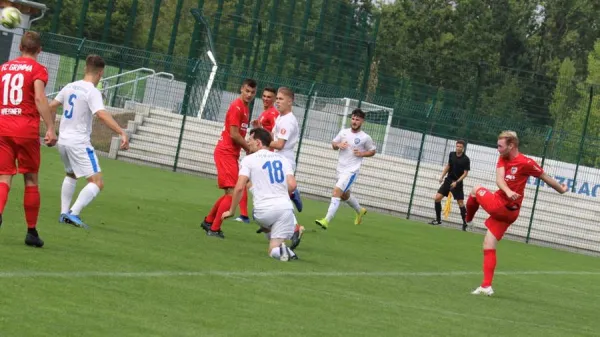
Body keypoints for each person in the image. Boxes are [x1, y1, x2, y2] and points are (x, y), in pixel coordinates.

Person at [467, 131, 567, 296]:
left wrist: (561, 189)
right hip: (507, 211)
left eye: (500, 146)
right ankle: (486, 286)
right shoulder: (502, 158)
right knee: (488, 245)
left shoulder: (526, 162)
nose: (498, 149)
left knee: (475, 189)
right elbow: (499, 180)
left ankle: (468, 219)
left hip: (502, 208)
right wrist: (507, 191)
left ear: (511, 145)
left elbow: (544, 177)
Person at [49, 55, 129, 229]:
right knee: (97, 182)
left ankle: (64, 213)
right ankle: (73, 213)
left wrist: (50, 129)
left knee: (70, 174)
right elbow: (101, 114)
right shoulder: (92, 91)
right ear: (101, 73)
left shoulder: (70, 86)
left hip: (63, 140)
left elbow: (52, 106)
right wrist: (121, 131)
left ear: (86, 68)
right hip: (79, 143)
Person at [0, 31, 57, 248]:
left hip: (3, 127)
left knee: (4, 177)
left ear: (20, 47)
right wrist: (50, 127)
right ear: (39, 50)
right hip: (25, 128)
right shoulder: (37, 69)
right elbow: (40, 98)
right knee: (31, 179)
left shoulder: (3, 68)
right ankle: (31, 232)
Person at [222, 128, 298, 261]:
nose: (247, 142)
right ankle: (287, 251)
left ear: (258, 142)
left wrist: (231, 211)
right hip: (286, 209)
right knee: (274, 248)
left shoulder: (248, 160)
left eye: (250, 140)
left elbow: (239, 187)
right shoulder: (283, 159)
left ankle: (282, 248)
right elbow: (292, 185)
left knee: (268, 234)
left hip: (263, 211)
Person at [201, 79, 257, 238]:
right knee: (232, 193)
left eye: (252, 92)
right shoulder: (236, 107)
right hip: (225, 152)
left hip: (231, 153)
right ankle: (214, 228)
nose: (249, 95)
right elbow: (233, 134)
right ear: (241, 89)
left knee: (230, 192)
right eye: (247, 91)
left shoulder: (245, 108)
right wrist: (247, 147)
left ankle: (209, 220)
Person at [315, 109, 374, 229]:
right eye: (353, 118)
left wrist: (362, 154)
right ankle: (359, 210)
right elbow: (333, 144)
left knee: (337, 191)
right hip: (340, 169)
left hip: (351, 171)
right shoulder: (344, 132)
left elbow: (372, 151)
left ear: (362, 121)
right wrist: (338, 145)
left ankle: (326, 220)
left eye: (357, 119)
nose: (354, 121)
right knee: (344, 196)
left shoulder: (365, 137)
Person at [235, 86, 279, 223]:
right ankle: (246, 214)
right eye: (264, 96)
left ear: (274, 99)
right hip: (259, 152)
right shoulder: (265, 112)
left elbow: (273, 136)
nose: (266, 99)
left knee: (246, 182)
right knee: (247, 182)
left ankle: (251, 213)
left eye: (269, 97)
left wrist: (260, 128)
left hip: (264, 155)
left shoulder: (273, 114)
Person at [268, 87, 304, 249]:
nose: (277, 101)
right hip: (278, 161)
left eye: (281, 99)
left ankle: (293, 227)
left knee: (275, 199)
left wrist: (262, 142)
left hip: (284, 163)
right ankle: (282, 226)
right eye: (277, 99)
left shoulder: (288, 120)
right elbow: (274, 139)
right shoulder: (281, 118)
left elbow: (280, 144)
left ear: (290, 101)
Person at [429, 140, 470, 230]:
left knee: (460, 203)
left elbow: (465, 173)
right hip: (448, 180)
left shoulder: (466, 159)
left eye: (460, 147)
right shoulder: (452, 154)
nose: (458, 148)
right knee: (437, 198)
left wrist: (457, 182)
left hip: (457, 183)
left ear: (463, 148)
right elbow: (448, 166)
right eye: (457, 146)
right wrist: (442, 176)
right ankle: (438, 220)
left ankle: (465, 223)